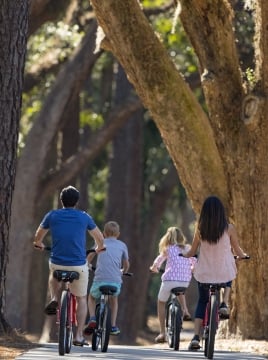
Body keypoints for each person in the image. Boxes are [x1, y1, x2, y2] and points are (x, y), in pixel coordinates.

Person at [33, 185, 104, 346]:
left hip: (57, 262)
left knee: (53, 273)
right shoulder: (84, 217)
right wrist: (99, 248)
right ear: (77, 201)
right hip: (79, 265)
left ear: (61, 200)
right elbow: (99, 238)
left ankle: (53, 298)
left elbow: (38, 236)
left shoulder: (52, 215)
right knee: (81, 299)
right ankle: (78, 336)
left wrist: (39, 244)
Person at [184, 196, 248, 350]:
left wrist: (184, 255)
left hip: (204, 272)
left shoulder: (200, 229)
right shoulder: (229, 228)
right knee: (229, 268)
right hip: (223, 271)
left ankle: (195, 337)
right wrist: (243, 256)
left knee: (202, 301)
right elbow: (237, 250)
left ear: (204, 212)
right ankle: (224, 302)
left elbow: (192, 251)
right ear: (221, 212)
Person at [150, 226, 197, 343]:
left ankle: (162, 333)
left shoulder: (168, 249)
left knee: (161, 302)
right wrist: (191, 269)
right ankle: (185, 310)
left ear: (168, 237)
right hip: (185, 281)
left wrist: (154, 268)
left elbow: (158, 260)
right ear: (182, 237)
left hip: (169, 280)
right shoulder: (188, 248)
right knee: (180, 290)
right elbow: (194, 262)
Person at [84, 221, 129, 336]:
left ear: (103, 233)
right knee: (114, 300)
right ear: (118, 234)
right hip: (115, 281)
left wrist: (88, 265)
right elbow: (126, 264)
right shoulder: (122, 245)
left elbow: (89, 256)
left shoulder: (100, 242)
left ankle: (92, 318)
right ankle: (113, 326)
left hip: (99, 280)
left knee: (91, 297)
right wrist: (123, 271)